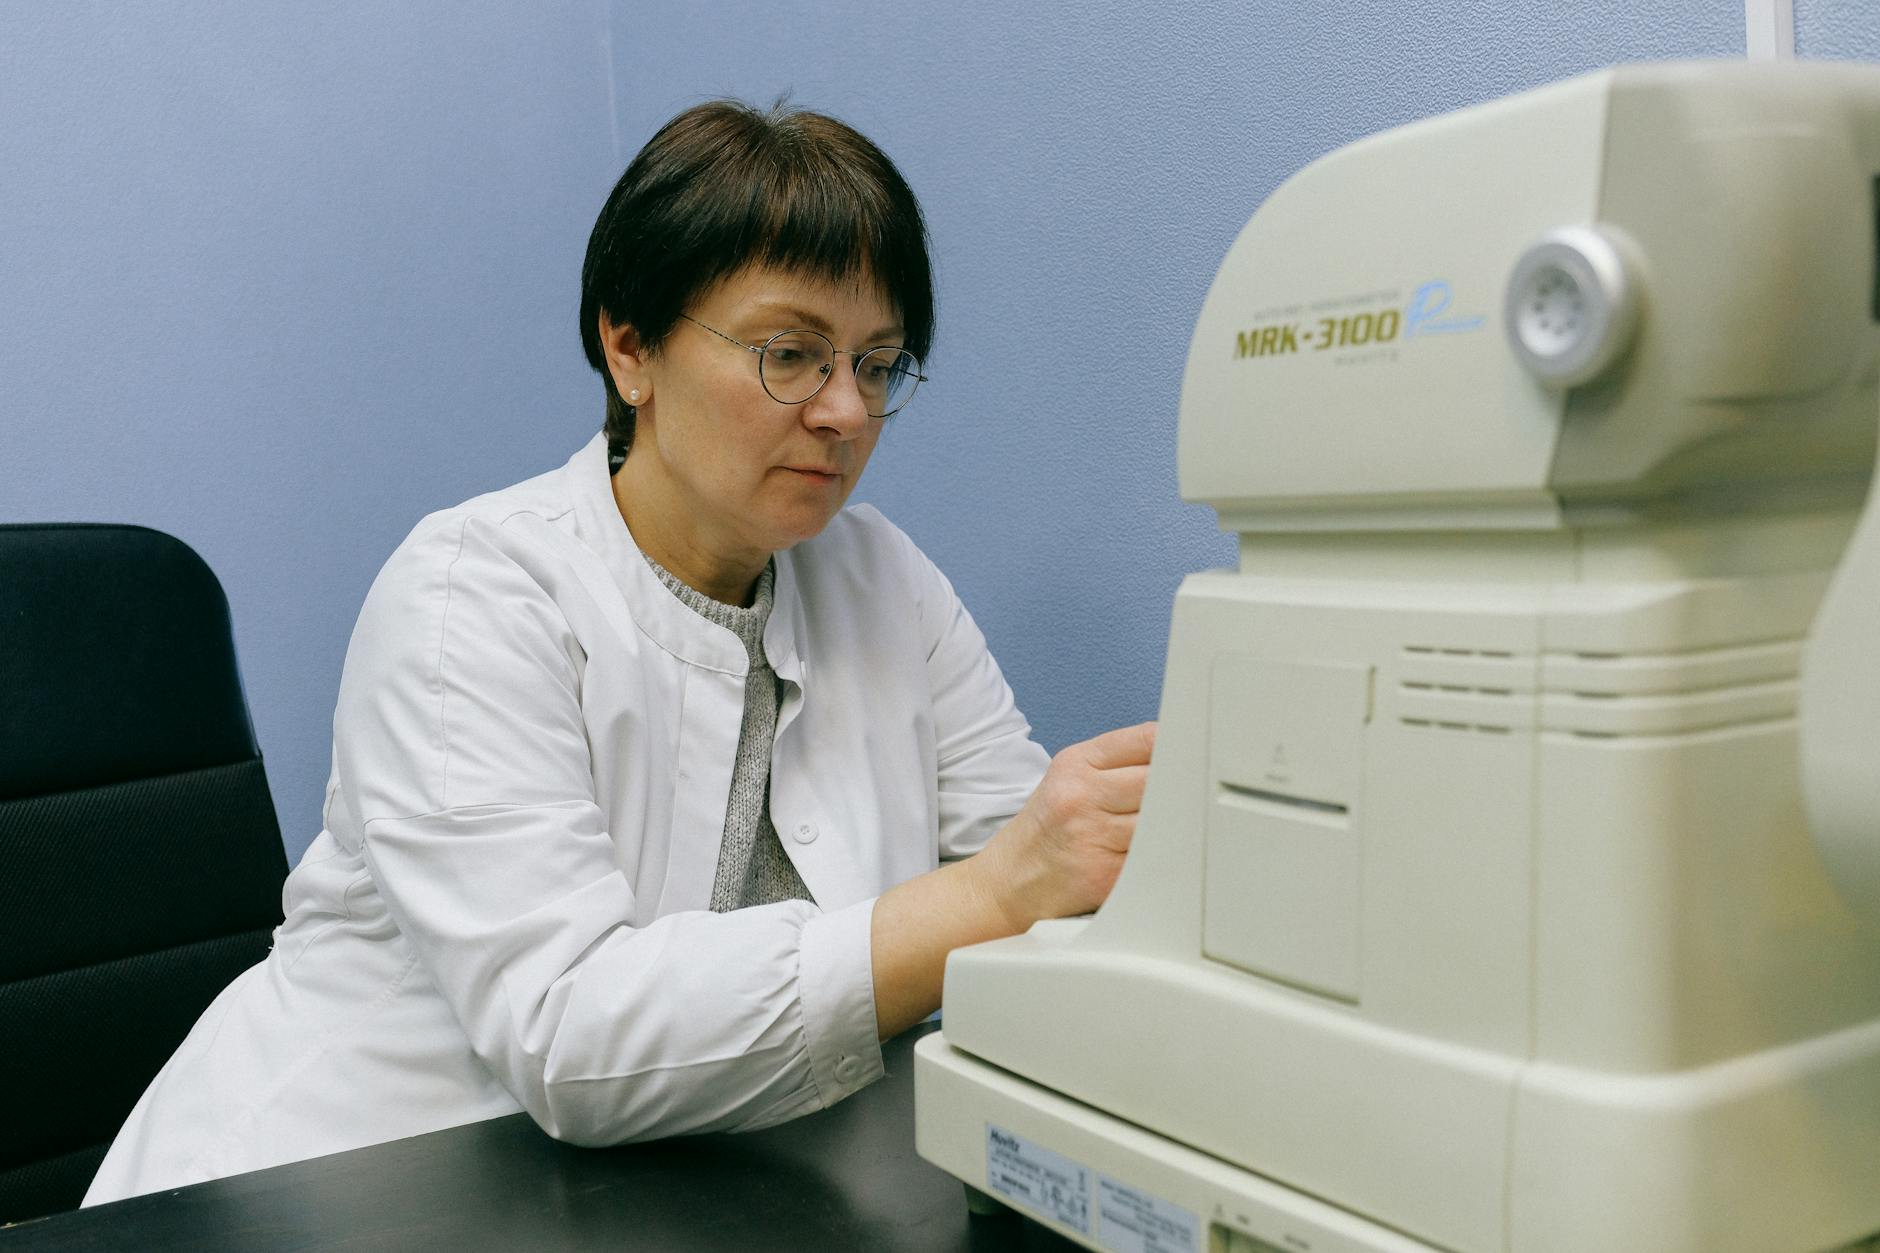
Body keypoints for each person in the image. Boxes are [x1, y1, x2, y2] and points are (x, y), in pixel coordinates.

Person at [83, 99, 1153, 1204]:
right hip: (329, 1191)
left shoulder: (882, 579)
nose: (844, 409)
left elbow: (1042, 885)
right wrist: (994, 893)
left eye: (876, 363)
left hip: (666, 1193)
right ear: (629, 345)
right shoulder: (470, 592)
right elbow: (570, 1036)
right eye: (790, 353)